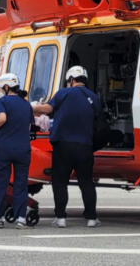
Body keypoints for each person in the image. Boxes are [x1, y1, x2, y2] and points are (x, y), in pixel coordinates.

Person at [33, 66, 101, 228]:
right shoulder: (94, 98)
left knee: (60, 182)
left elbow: (46, 109)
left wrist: (25, 107)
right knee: (86, 182)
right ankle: (91, 218)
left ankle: (61, 218)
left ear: (71, 80)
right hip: (85, 146)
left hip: (63, 145)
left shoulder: (64, 93)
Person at [0, 73, 34, 229]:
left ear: (6, 87)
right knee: (21, 184)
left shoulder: (2, 102)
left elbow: (2, 119)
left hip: (4, 148)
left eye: (0, 88)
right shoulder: (26, 104)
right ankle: (21, 218)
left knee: (0, 183)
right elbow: (29, 126)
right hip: (23, 148)